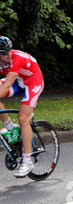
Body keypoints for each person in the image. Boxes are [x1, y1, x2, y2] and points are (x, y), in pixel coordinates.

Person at [0, 36, 44, 177]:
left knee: (23, 119)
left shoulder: (16, 58)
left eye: (8, 51)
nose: (8, 55)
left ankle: (27, 160)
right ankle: (10, 128)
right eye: (3, 53)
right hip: (18, 82)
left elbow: (7, 84)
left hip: (33, 82)